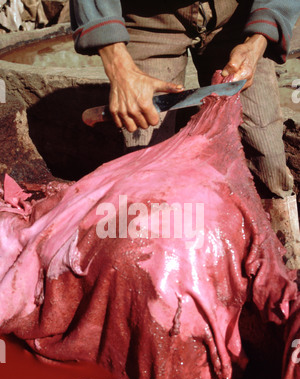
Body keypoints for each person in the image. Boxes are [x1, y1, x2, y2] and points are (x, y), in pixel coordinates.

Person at [70, 0, 300, 269]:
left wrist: (258, 40)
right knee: (146, 172)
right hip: (149, 20)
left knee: (268, 159)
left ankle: (285, 269)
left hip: (235, 16)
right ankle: (162, 279)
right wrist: (119, 68)